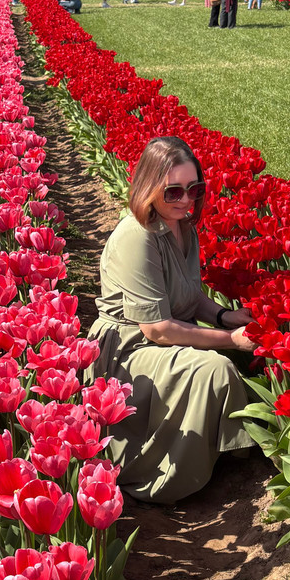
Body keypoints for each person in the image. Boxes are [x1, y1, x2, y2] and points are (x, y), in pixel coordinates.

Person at [87, 136, 257, 504]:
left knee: (231, 364)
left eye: (194, 189)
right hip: (129, 350)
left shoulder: (183, 226)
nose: (186, 200)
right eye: (174, 191)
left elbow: (189, 295)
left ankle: (220, 455)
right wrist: (231, 339)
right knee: (214, 369)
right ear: (148, 188)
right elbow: (157, 329)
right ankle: (170, 472)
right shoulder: (137, 237)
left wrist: (225, 316)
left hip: (161, 334)